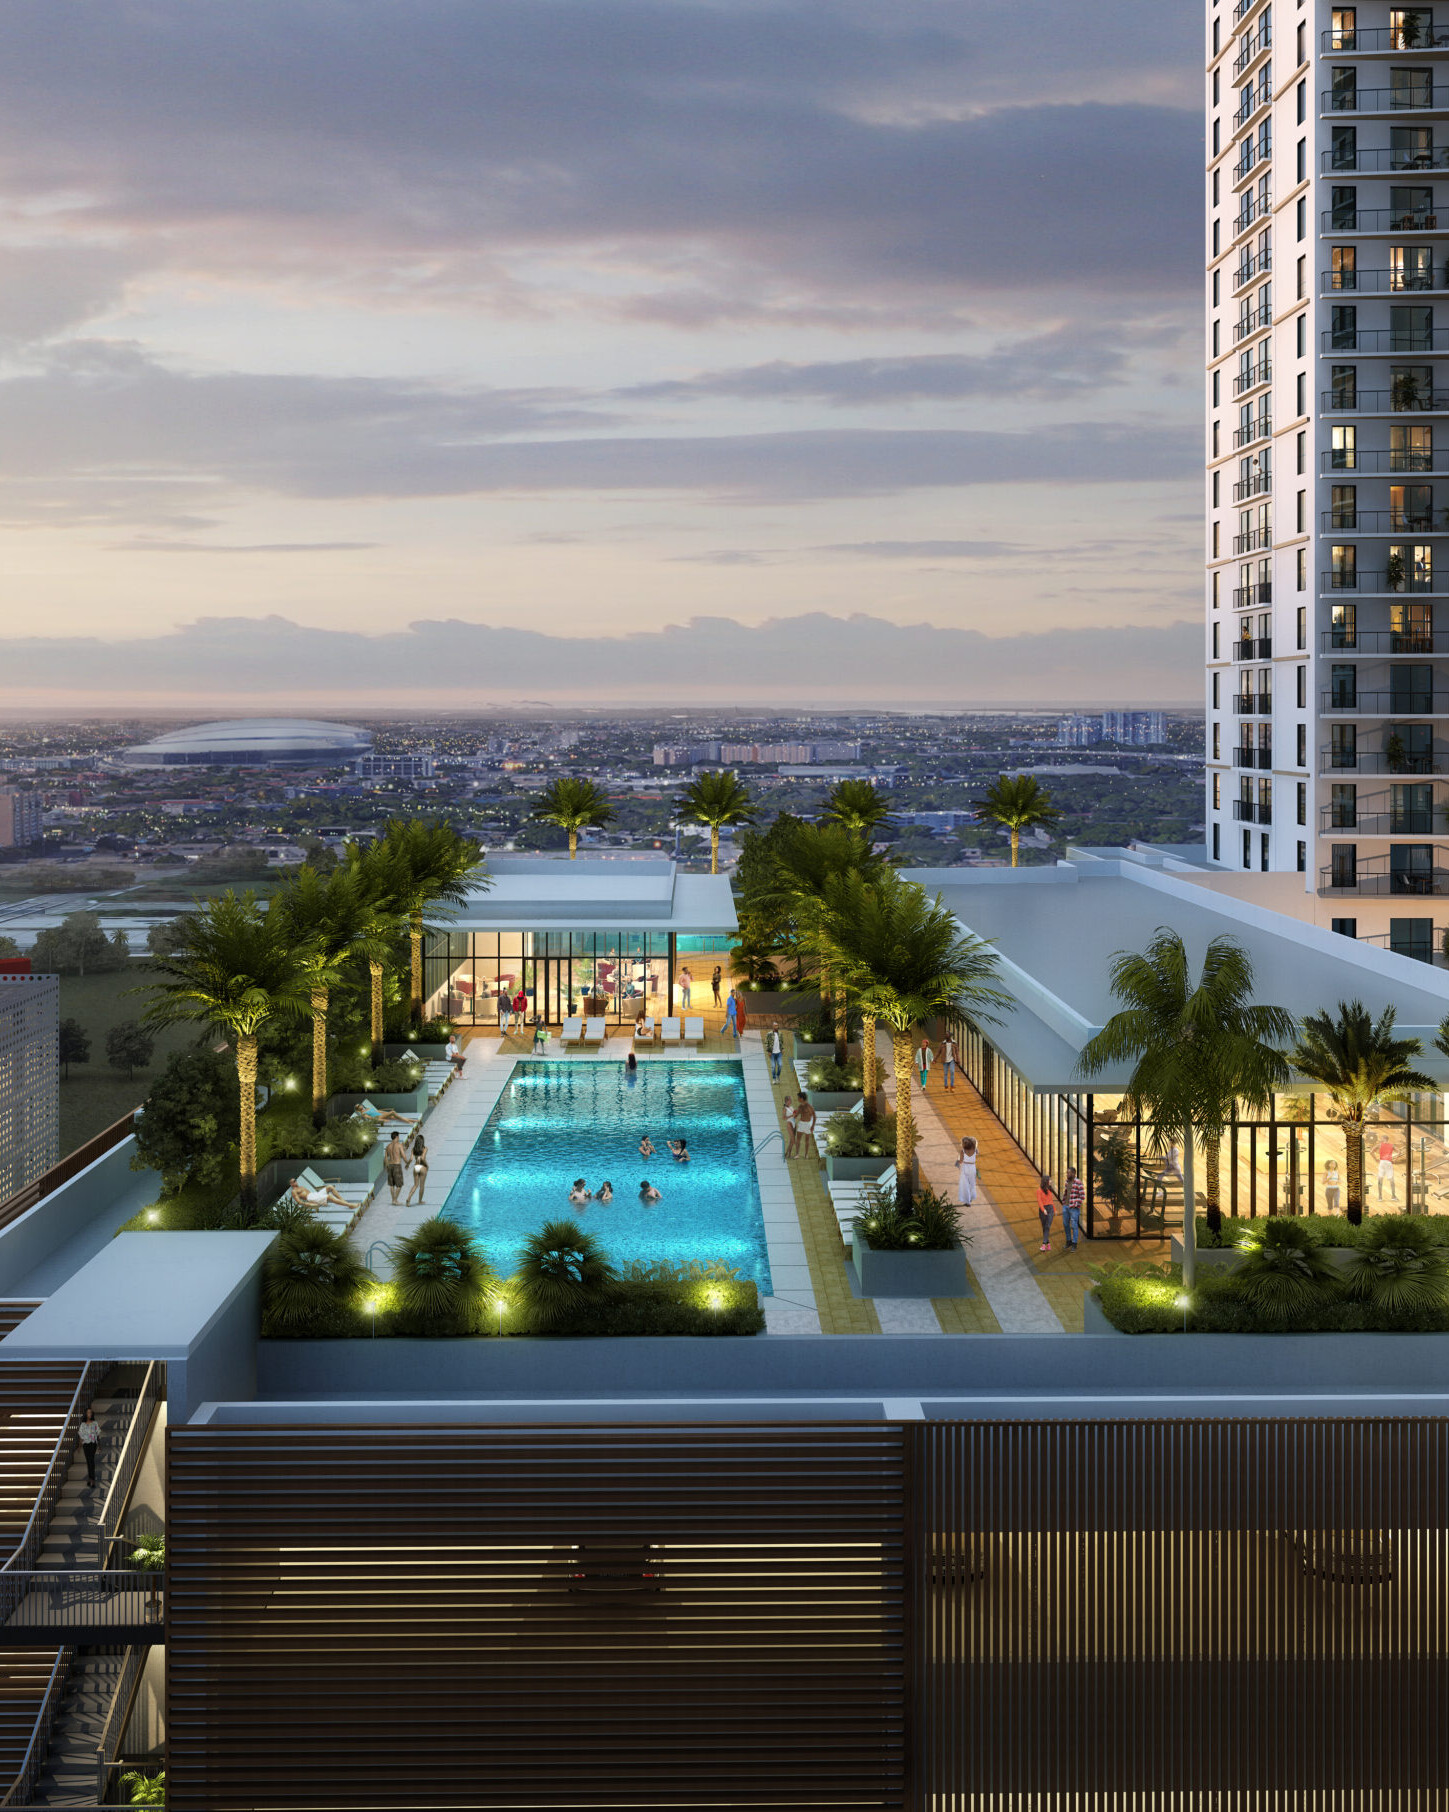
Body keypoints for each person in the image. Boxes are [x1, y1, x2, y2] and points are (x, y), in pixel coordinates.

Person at [290, 1177, 354, 1209]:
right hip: (311, 1198)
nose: (296, 1181)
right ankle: (349, 1205)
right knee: (329, 1196)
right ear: (291, 1184)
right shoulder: (294, 1191)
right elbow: (299, 1202)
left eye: (295, 1180)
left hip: (315, 1194)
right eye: (294, 1181)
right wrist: (311, 1204)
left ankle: (343, 1201)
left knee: (330, 1187)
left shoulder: (301, 1187)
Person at [1062, 1169, 1085, 1250]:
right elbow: (1066, 1193)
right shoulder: (1066, 1182)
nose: (1067, 1174)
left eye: (1068, 1172)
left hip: (1074, 1208)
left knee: (1074, 1225)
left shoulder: (1078, 1182)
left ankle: (1074, 1243)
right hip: (1065, 1207)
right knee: (1065, 1224)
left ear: (1073, 1173)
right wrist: (1064, 1202)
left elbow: (1082, 1196)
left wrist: (1075, 1204)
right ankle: (1069, 1241)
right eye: (1067, 1172)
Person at [404, 1135, 429, 1206]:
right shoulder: (425, 1148)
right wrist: (427, 1165)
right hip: (422, 1167)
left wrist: (407, 1165)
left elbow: (411, 1159)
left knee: (415, 1185)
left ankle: (408, 1198)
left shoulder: (413, 1149)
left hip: (416, 1167)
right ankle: (420, 1201)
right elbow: (423, 1158)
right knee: (421, 1185)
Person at [384, 1131, 407, 1204]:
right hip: (397, 1165)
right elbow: (403, 1156)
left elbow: (385, 1159)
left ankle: (393, 1200)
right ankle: (395, 1200)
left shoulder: (388, 1146)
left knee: (391, 1185)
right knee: (399, 1185)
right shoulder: (399, 1145)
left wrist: (387, 1167)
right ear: (396, 1137)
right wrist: (408, 1163)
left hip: (390, 1165)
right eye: (398, 1136)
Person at [78, 1406, 99, 1488]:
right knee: (89, 1461)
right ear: (86, 1414)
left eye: (90, 1412)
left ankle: (92, 1480)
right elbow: (81, 1435)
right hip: (86, 1444)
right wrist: (79, 1446)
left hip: (93, 1444)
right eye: (88, 1413)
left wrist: (99, 1445)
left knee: (91, 1461)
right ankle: (90, 1479)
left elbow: (97, 1434)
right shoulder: (83, 1425)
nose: (89, 1414)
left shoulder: (95, 1423)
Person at [1037, 1172, 1057, 1252]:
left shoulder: (1050, 1190)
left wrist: (1054, 1210)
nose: (1051, 1181)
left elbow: (1051, 1201)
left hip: (1050, 1209)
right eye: (1050, 1180)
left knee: (1047, 1226)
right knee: (1045, 1227)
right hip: (1043, 1210)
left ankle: (1043, 1245)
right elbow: (1039, 1201)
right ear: (1046, 1181)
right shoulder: (1039, 1190)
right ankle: (1048, 1245)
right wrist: (1043, 1209)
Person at [956, 1136, 978, 1206]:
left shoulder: (963, 1151)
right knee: (972, 1183)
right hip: (972, 1167)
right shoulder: (975, 1150)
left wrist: (957, 1162)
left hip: (965, 1167)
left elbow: (961, 1161)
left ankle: (967, 1201)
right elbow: (977, 1154)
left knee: (965, 1184)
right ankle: (971, 1197)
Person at [1377, 1134, 1398, 1201]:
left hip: (1382, 1162)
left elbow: (1371, 1152)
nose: (1381, 1139)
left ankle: (1380, 1197)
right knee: (1391, 1180)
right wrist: (1395, 1160)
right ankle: (1393, 1196)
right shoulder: (1392, 1145)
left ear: (1383, 1138)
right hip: (1389, 1163)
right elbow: (1399, 1151)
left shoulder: (1379, 1145)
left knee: (1380, 1179)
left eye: (1381, 1138)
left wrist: (1375, 1159)